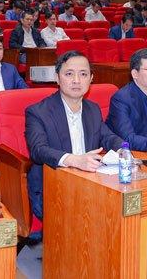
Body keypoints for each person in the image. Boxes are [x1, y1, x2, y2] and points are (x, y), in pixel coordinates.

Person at [25, 50, 124, 219]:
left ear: (91, 79)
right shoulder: (37, 111)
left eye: (83, 74)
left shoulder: (92, 109)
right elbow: (38, 150)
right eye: (69, 74)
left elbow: (108, 137)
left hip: (91, 181)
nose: (76, 80)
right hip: (54, 185)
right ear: (57, 77)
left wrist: (122, 149)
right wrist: (75, 160)